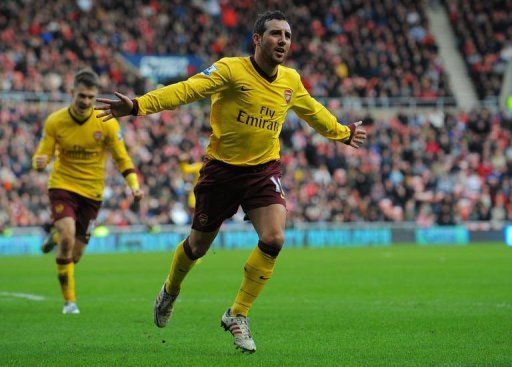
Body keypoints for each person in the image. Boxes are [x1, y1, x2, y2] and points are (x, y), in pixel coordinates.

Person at [96, 10, 366, 353]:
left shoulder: (290, 80)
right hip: (221, 172)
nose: (283, 40)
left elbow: (313, 111)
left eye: (287, 35)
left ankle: (237, 314)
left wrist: (343, 133)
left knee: (274, 237)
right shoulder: (229, 69)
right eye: (275, 34)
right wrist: (137, 106)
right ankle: (171, 289)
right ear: (257, 39)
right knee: (197, 247)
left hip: (262, 171)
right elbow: (186, 90)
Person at [33, 69, 143, 314]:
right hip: (63, 185)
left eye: (90, 97)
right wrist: (38, 163)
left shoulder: (106, 123)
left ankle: (56, 236)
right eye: (81, 96)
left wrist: (134, 186)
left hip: (92, 193)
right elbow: (43, 154)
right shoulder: (55, 121)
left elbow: (122, 159)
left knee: (75, 255)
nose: (85, 101)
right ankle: (69, 302)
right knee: (68, 238)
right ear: (72, 93)